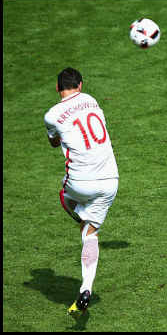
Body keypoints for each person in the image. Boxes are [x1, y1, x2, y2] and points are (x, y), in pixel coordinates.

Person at [45, 68, 119, 317]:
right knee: (91, 234)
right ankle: (86, 288)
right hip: (111, 180)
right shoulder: (91, 100)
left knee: (64, 198)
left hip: (80, 182)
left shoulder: (52, 115)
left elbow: (54, 142)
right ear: (81, 85)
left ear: (57, 88)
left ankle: (81, 218)